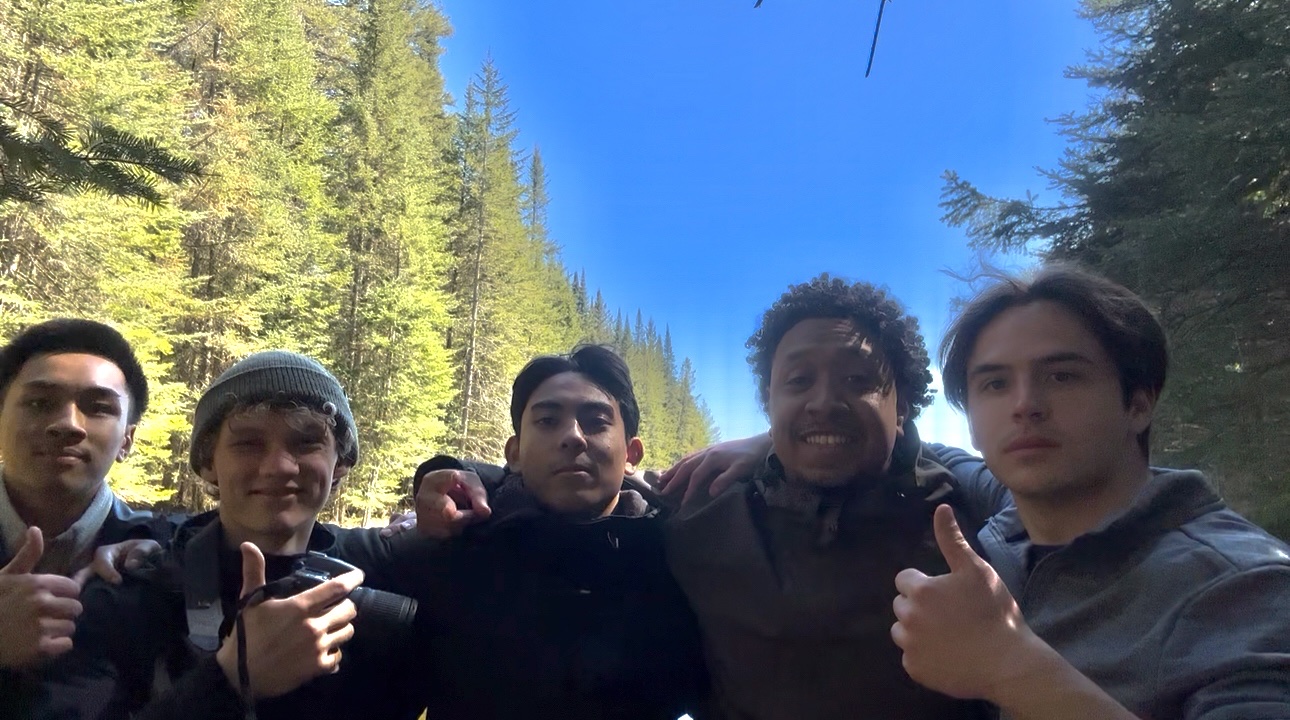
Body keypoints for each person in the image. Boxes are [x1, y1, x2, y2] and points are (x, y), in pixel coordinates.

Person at [414, 276, 1002, 719]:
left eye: (858, 379)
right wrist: (458, 474)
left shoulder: (974, 523)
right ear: (769, 403)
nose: (824, 401)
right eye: (797, 382)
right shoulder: (701, 511)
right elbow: (582, 489)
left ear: (903, 402)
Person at [889, 265, 1290, 719]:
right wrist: (890, 428)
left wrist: (1008, 667)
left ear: (1139, 404)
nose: (1024, 406)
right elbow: (964, 465)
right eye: (995, 384)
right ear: (975, 425)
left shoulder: (1243, 585)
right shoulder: (1008, 528)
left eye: (1062, 376)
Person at [18, 350, 423, 720]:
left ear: (340, 465)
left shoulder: (380, 582)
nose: (278, 466)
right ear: (208, 464)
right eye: (248, 443)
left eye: (306, 443)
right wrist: (229, 679)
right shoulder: (127, 597)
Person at [402, 344, 708, 719]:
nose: (573, 437)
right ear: (513, 453)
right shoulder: (457, 545)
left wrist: (762, 444)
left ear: (631, 454)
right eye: (548, 421)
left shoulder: (680, 558)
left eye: (596, 422)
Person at [0, 318, 167, 678]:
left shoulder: (163, 557)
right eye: (40, 403)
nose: (68, 424)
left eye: (99, 407)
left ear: (127, 440)